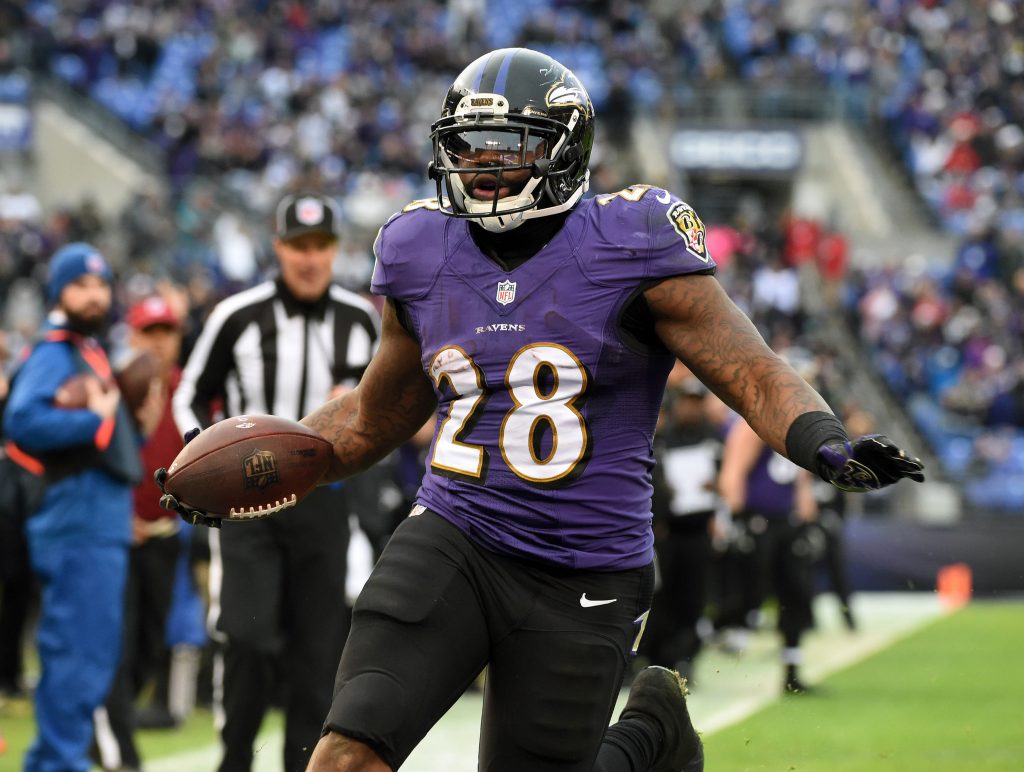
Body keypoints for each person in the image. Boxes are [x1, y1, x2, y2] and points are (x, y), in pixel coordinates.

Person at [160, 48, 924, 772]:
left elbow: (749, 369)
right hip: (454, 535)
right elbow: (368, 419)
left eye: (507, 147)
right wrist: (250, 468)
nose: (481, 165)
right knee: (346, 753)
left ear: (565, 150)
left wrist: (823, 440)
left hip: (585, 566)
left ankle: (650, 736)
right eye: (468, 147)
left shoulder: (633, 240)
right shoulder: (419, 248)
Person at [172, 191, 380, 772]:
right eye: (298, 246)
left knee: (318, 654)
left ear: (334, 250)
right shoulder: (237, 315)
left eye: (320, 246)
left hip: (325, 502)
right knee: (248, 636)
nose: (309, 258)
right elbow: (190, 393)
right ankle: (235, 759)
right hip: (247, 504)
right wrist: (199, 456)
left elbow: (387, 404)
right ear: (278, 248)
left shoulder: (361, 320)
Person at [4, 243, 144, 772]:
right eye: (80, 285)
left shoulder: (87, 349)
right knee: (78, 652)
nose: (94, 295)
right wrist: (98, 422)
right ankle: (60, 762)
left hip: (97, 519)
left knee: (90, 651)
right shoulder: (54, 351)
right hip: (76, 520)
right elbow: (22, 420)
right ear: (57, 292)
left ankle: (51, 759)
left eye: (101, 284)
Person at [96, 295, 187, 770]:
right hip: (120, 536)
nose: (157, 342)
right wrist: (114, 517)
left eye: (165, 332)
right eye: (149, 332)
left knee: (150, 645)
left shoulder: (190, 389)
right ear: (132, 336)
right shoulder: (113, 388)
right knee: (120, 642)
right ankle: (121, 747)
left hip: (165, 534)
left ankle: (107, 728)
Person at [717, 410, 822, 694]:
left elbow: (801, 480)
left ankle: (792, 670)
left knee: (796, 594)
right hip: (758, 519)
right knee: (752, 589)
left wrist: (807, 517)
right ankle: (724, 634)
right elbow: (733, 472)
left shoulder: (799, 427)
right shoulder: (757, 424)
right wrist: (736, 517)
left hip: (787, 522)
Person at [644, 375, 724, 687]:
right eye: (686, 402)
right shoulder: (662, 438)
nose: (691, 408)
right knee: (662, 599)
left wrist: (716, 488)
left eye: (696, 402)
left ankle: (686, 660)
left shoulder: (712, 436)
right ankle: (659, 660)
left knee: (694, 599)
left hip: (699, 530)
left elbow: (727, 479)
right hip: (666, 533)